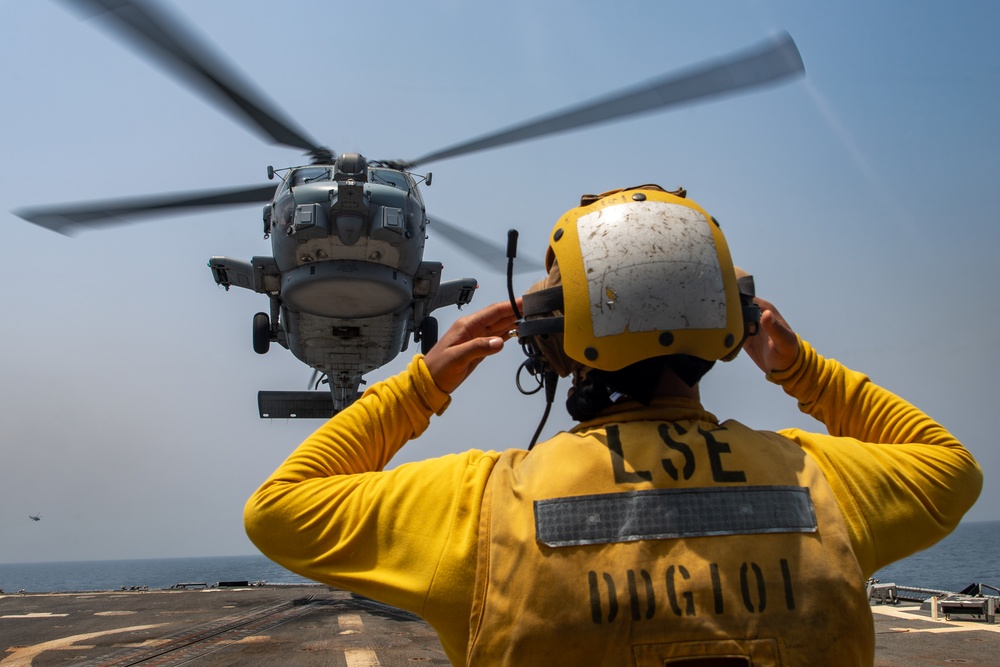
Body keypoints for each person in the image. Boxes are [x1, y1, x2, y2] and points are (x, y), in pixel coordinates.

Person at [244, 185, 982, 666]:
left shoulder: (482, 506)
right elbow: (951, 466)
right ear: (734, 320)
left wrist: (420, 383)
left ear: (557, 343)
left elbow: (279, 509)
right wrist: (805, 371)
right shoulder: (823, 483)